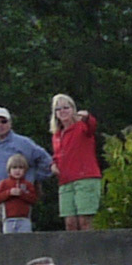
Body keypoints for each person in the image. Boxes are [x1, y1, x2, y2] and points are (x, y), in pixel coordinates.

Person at [0, 108, 50, 235]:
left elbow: (45, 160)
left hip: (17, 201)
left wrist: (33, 179)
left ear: (10, 123)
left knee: (18, 240)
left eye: (4, 121)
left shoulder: (23, 143)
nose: (0, 125)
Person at [47, 96, 103, 227]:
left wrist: (87, 117)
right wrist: (53, 165)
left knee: (85, 220)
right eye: (58, 109)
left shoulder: (82, 126)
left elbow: (92, 126)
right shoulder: (57, 135)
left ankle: (89, 242)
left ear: (73, 109)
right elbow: (57, 155)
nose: (62, 111)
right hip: (65, 181)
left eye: (66, 107)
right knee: (70, 222)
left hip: (85, 178)